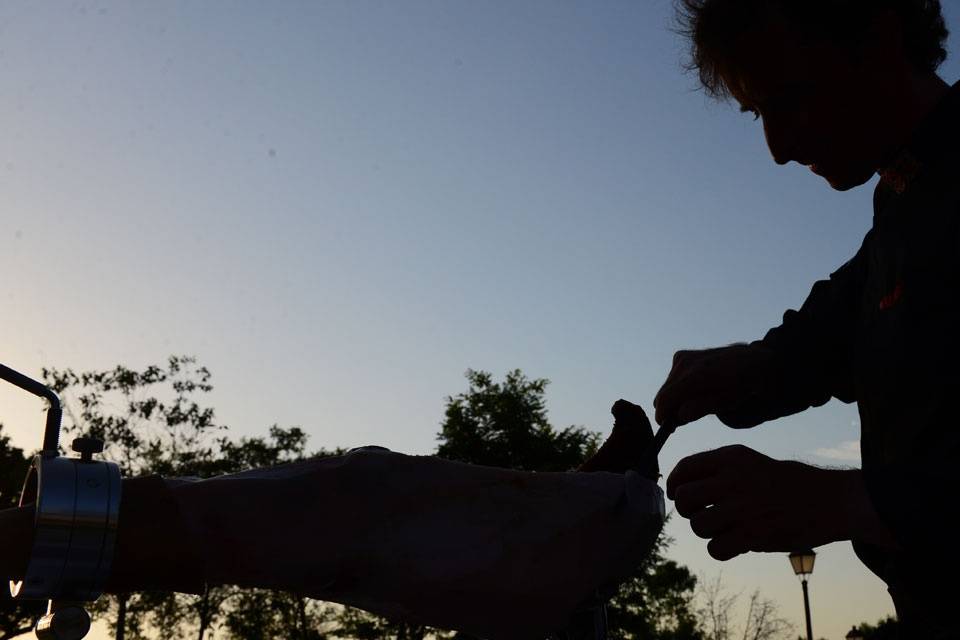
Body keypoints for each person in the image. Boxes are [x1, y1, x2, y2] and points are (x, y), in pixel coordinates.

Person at [655, 0, 956, 635]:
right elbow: (834, 329)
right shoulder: (905, 199)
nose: (779, 148)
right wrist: (755, 369)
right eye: (760, 113)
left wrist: (849, 502)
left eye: (792, 98)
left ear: (878, 38)